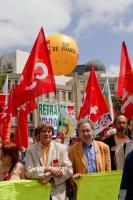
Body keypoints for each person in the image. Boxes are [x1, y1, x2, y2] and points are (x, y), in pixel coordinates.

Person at [25, 123, 73, 200]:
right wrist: (47, 168)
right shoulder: (30, 150)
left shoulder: (61, 148)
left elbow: (69, 170)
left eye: (49, 131)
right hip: (38, 192)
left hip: (57, 194)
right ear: (39, 134)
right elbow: (28, 172)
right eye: (44, 131)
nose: (47, 134)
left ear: (52, 134)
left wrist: (51, 176)